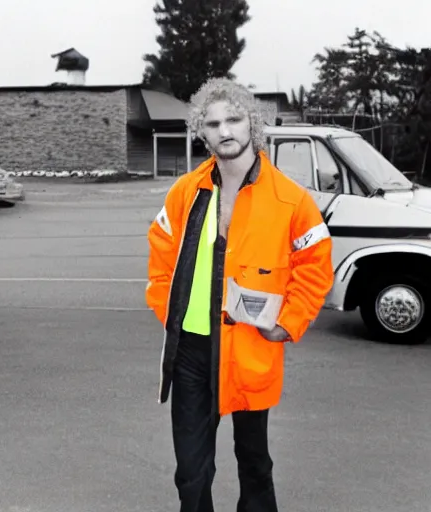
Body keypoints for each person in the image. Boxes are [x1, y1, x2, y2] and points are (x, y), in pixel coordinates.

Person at [145, 77, 334, 512]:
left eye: (233, 119)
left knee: (254, 463)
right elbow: (160, 255)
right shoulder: (184, 192)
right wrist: (166, 310)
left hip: (251, 346)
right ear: (202, 131)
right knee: (191, 472)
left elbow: (316, 265)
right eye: (212, 123)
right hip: (192, 350)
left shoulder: (290, 199)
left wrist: (287, 324)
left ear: (253, 122)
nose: (224, 131)